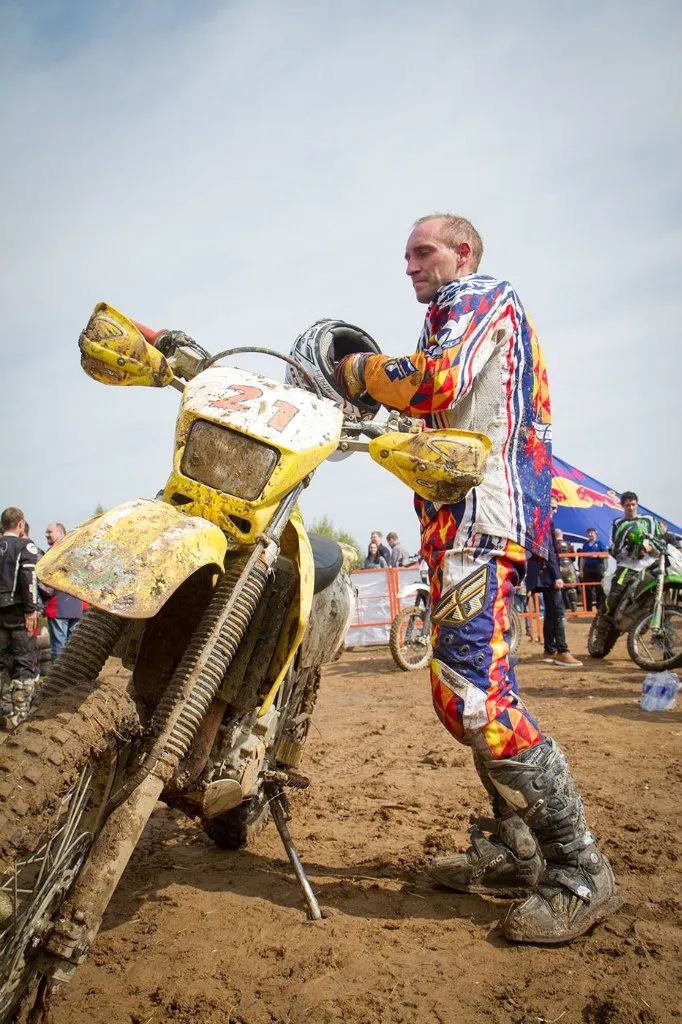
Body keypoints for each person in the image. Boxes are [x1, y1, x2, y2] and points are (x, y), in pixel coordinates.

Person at [333, 213, 618, 942]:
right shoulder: (458, 317)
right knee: (467, 693)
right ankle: (514, 849)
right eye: (404, 255)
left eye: (421, 251)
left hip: (483, 523)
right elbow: (435, 410)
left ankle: (579, 870)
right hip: (462, 524)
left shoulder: (477, 294)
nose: (408, 265)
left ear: (462, 252)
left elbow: (434, 381)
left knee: (476, 703)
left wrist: (354, 370)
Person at [526, 504, 582, 665]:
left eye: (556, 508)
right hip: (548, 574)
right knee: (558, 613)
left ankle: (550, 650)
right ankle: (562, 651)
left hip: (540, 573)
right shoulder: (544, 522)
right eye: (552, 507)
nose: (554, 510)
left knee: (551, 613)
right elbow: (549, 549)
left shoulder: (535, 521)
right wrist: (557, 575)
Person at [0, 507, 40, 729]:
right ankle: (20, 716)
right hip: (18, 613)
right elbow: (28, 578)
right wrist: (30, 609)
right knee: (24, 662)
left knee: (0, 662)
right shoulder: (25, 546)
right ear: (20, 524)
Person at [604, 492, 663, 620]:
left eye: (633, 504)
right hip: (627, 565)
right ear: (622, 506)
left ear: (637, 504)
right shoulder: (618, 523)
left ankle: (664, 622)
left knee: (662, 591)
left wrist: (651, 548)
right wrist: (631, 551)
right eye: (627, 505)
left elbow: (660, 540)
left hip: (650, 564)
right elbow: (612, 547)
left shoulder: (649, 520)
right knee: (614, 596)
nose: (630, 508)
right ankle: (605, 623)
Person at [43, 522, 84, 659]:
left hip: (58, 606)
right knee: (74, 647)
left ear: (61, 534)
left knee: (59, 648)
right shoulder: (76, 551)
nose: (46, 535)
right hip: (75, 605)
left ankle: (59, 672)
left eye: (50, 532)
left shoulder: (53, 553)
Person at [580, 527, 607, 612]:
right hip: (588, 568)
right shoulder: (585, 545)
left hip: (598, 567)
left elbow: (606, 555)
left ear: (596, 534)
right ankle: (588, 609)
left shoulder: (599, 543)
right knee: (587, 589)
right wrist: (581, 570)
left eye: (591, 532)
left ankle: (600, 608)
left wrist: (597, 555)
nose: (590, 534)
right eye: (588, 533)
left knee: (599, 588)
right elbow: (582, 558)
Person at [554, 529, 578, 613]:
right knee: (571, 587)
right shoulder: (569, 544)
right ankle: (574, 607)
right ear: (562, 534)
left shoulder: (553, 544)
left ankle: (562, 608)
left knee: (558, 587)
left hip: (558, 566)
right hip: (569, 566)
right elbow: (573, 557)